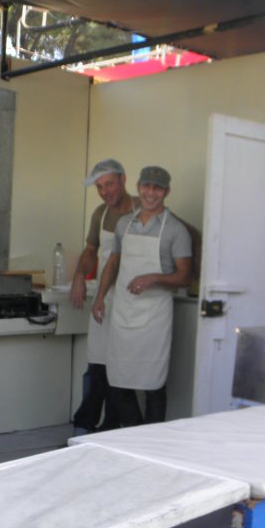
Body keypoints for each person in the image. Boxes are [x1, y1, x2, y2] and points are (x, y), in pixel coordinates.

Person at [92, 166, 192, 427]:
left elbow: (185, 277)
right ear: (138, 188)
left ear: (166, 192)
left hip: (154, 317)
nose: (150, 193)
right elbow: (113, 263)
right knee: (118, 380)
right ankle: (134, 432)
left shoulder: (176, 230)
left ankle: (151, 439)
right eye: (146, 186)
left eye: (157, 188)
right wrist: (100, 297)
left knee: (153, 383)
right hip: (123, 312)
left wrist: (154, 278)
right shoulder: (125, 224)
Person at [69, 159, 138, 433]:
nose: (104, 191)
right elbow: (91, 250)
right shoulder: (100, 213)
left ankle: (110, 426)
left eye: (109, 184)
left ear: (123, 180)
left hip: (134, 301)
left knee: (122, 369)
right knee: (98, 364)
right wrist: (78, 276)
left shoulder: (143, 210)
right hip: (105, 299)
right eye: (99, 187)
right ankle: (85, 425)